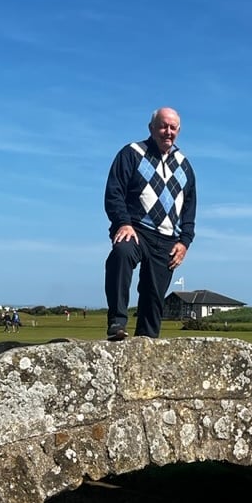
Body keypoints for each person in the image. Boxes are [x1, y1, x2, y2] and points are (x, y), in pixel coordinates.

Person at [103, 106, 197, 340]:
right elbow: (114, 192)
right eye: (163, 126)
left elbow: (189, 210)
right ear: (151, 128)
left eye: (173, 127)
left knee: (154, 296)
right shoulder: (132, 153)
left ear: (179, 130)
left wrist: (184, 242)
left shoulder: (184, 164)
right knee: (121, 255)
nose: (168, 131)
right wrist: (123, 222)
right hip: (135, 229)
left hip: (167, 239)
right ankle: (117, 323)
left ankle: (147, 340)